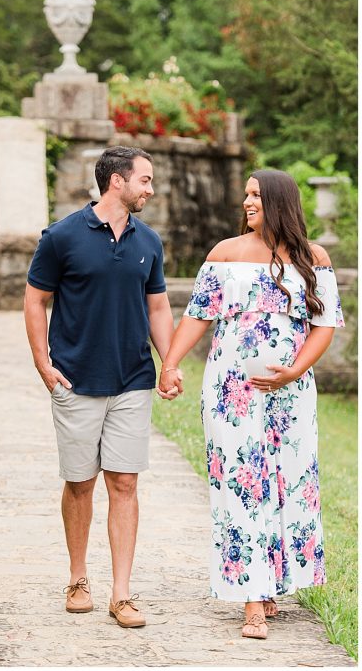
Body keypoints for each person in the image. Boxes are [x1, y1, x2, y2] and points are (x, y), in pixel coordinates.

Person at [158, 169, 342, 640]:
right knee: (241, 485)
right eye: (245, 195)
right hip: (232, 392)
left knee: (288, 482)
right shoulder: (225, 254)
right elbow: (197, 316)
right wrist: (171, 364)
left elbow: (324, 325)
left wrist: (296, 370)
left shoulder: (312, 258)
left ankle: (273, 583)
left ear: (279, 201)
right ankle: (252, 601)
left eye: (256, 195)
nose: (246, 202)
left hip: (292, 393)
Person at [24, 146, 178, 629]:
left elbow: (158, 307)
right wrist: (43, 364)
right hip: (76, 378)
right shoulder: (62, 237)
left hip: (132, 378)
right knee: (79, 483)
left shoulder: (148, 241)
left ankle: (122, 593)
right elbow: (35, 300)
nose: (150, 189)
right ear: (117, 181)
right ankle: (77, 578)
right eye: (145, 180)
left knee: (125, 482)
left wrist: (169, 363)